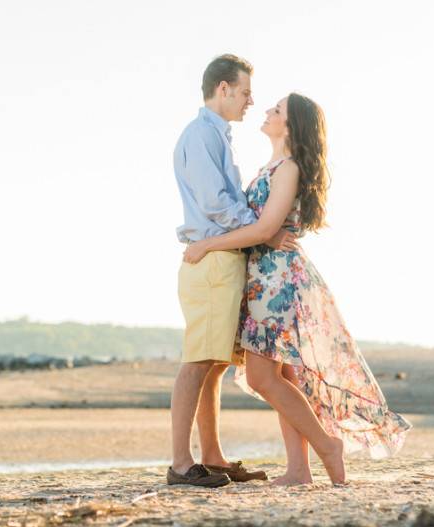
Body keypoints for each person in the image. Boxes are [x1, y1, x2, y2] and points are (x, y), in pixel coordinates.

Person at [183, 93, 412, 485]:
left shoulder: (288, 168)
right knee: (283, 374)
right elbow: (261, 230)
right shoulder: (273, 165)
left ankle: (327, 444)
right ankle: (299, 469)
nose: (267, 112)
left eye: (277, 110)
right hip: (262, 277)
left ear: (290, 126)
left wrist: (205, 244)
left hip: (276, 281)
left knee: (262, 377)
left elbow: (264, 229)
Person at [168, 54, 295, 488]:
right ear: (223, 89)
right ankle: (181, 464)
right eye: (244, 92)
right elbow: (217, 205)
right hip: (212, 260)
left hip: (222, 258)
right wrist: (264, 231)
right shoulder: (202, 135)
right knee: (198, 360)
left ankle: (212, 456)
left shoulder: (216, 135)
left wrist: (258, 231)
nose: (249, 101)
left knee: (216, 363)